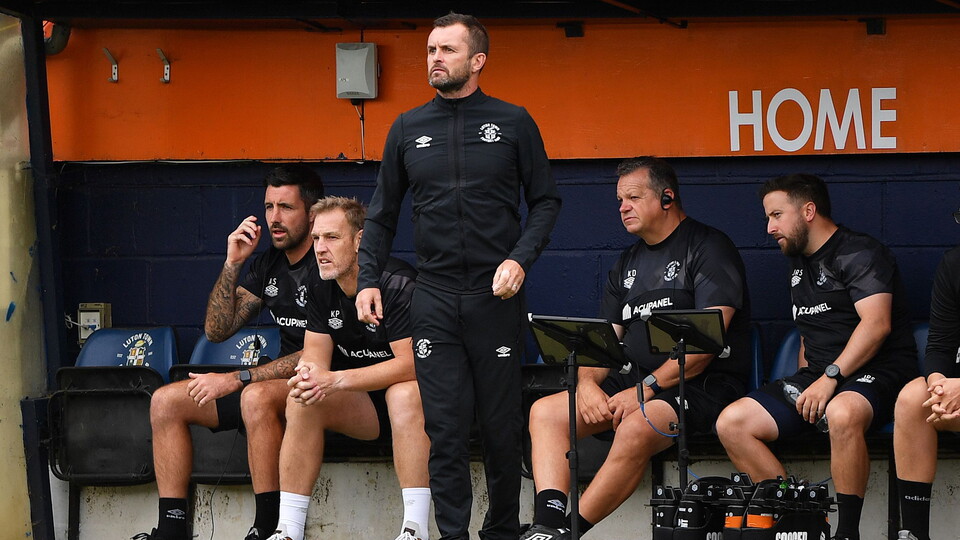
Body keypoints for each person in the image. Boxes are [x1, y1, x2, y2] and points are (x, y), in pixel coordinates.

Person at [355, 12, 562, 540]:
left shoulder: (513, 121)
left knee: (500, 428)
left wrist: (519, 258)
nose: (434, 59)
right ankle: (452, 534)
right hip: (436, 296)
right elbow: (381, 215)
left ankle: (502, 531)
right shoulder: (405, 127)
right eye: (429, 50)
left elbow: (545, 202)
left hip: (495, 296)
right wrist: (368, 280)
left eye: (447, 50)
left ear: (477, 60)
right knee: (444, 430)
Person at [520, 156, 751, 540]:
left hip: (700, 387)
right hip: (635, 385)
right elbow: (601, 343)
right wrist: (590, 385)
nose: (622, 207)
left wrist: (643, 392)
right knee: (545, 413)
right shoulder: (626, 262)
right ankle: (548, 524)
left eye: (632, 197)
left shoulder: (709, 247)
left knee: (636, 425)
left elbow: (704, 347)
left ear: (666, 198)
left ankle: (570, 532)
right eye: (619, 200)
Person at [716, 173, 918, 540]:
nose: (769, 228)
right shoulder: (798, 263)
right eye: (768, 218)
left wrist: (830, 379)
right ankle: (801, 515)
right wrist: (808, 385)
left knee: (841, 412)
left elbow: (876, 325)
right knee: (732, 423)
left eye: (777, 215)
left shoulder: (859, 252)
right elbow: (810, 335)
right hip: (822, 376)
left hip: (880, 371)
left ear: (808, 210)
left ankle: (847, 532)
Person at [134, 165, 324, 540]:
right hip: (276, 383)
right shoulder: (268, 263)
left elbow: (316, 355)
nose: (274, 219)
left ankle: (268, 525)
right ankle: (172, 528)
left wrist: (236, 378)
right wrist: (232, 263)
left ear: (312, 212)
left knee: (253, 395)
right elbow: (217, 329)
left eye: (285, 207)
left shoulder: (327, 260)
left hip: (319, 384)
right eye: (269, 207)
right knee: (165, 402)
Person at [265, 197, 431, 540]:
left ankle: (415, 529)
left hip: (419, 408)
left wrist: (337, 380)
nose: (320, 249)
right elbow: (314, 356)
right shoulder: (318, 282)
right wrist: (308, 377)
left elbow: (413, 365)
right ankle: (288, 530)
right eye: (316, 239)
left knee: (403, 393)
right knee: (302, 397)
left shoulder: (397, 283)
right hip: (362, 408)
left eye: (332, 238)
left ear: (360, 240)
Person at [893, 233, 960, 540]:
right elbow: (940, 345)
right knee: (912, 397)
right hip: (955, 394)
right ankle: (916, 533)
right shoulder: (954, 263)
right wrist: (938, 386)